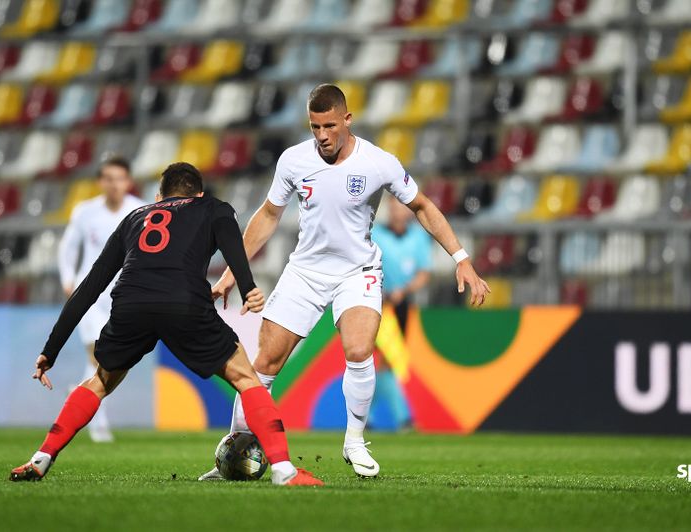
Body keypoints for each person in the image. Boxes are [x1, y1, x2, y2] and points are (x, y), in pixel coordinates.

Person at [202, 84, 490, 480]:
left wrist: (461, 259)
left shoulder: (378, 162)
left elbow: (421, 205)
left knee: (359, 350)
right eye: (314, 126)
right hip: (305, 272)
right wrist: (232, 273)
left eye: (330, 126)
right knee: (264, 364)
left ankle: (354, 441)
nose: (322, 135)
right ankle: (234, 450)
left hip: (358, 272)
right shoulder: (293, 160)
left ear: (347, 119)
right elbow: (267, 216)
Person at [10, 162, 322, 487]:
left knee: (99, 381)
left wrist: (51, 349)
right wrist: (247, 288)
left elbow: (89, 287)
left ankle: (41, 458)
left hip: (130, 304)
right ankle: (284, 470)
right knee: (247, 379)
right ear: (199, 194)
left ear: (159, 196)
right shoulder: (213, 208)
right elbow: (234, 247)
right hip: (183, 301)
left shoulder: (133, 219)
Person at [57, 155, 146, 442]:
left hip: (125, 297)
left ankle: (81, 395)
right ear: (100, 182)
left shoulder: (141, 211)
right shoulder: (85, 211)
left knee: (110, 362)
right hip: (92, 296)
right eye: (108, 178)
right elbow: (68, 247)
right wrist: (68, 280)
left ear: (128, 182)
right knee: (98, 356)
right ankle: (98, 421)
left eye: (119, 178)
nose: (114, 184)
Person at [370, 196, 433, 430]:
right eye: (394, 208)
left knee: (387, 361)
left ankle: (366, 417)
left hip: (401, 305)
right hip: (377, 303)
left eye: (402, 208)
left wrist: (403, 290)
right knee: (386, 358)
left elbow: (424, 273)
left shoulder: (418, 237)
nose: (398, 212)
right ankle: (403, 417)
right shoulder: (376, 234)